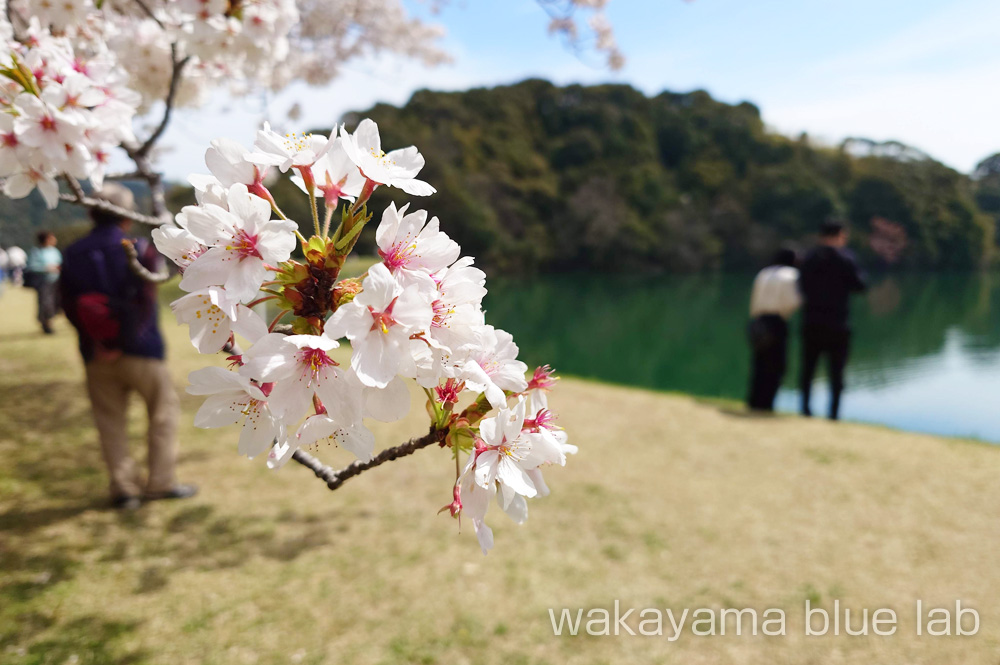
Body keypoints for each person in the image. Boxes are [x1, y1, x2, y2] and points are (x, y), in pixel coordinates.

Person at [60, 183, 196, 510]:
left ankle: (123, 489)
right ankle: (161, 482)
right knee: (162, 414)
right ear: (126, 216)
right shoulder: (140, 248)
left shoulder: (73, 252)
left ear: (91, 212)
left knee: (110, 422)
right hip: (143, 349)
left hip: (95, 353)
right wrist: (126, 341)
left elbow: (67, 304)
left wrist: (102, 343)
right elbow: (145, 301)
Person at [798, 219, 867, 420]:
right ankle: (833, 415)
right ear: (840, 235)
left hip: (811, 321)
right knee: (837, 373)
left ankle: (805, 410)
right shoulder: (846, 259)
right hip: (838, 324)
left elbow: (801, 287)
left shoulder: (809, 258)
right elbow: (860, 286)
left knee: (808, 368)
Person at [746, 248, 801, 412]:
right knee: (776, 365)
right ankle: (767, 404)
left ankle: (754, 402)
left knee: (759, 364)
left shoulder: (764, 273)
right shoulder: (791, 275)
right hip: (777, 322)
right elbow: (793, 301)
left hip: (758, 321)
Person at [25, 231, 62, 333]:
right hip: (43, 282)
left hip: (56, 280)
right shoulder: (36, 252)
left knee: (55, 303)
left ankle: (50, 321)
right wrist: (46, 268)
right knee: (45, 303)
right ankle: (46, 323)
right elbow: (31, 266)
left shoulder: (54, 251)